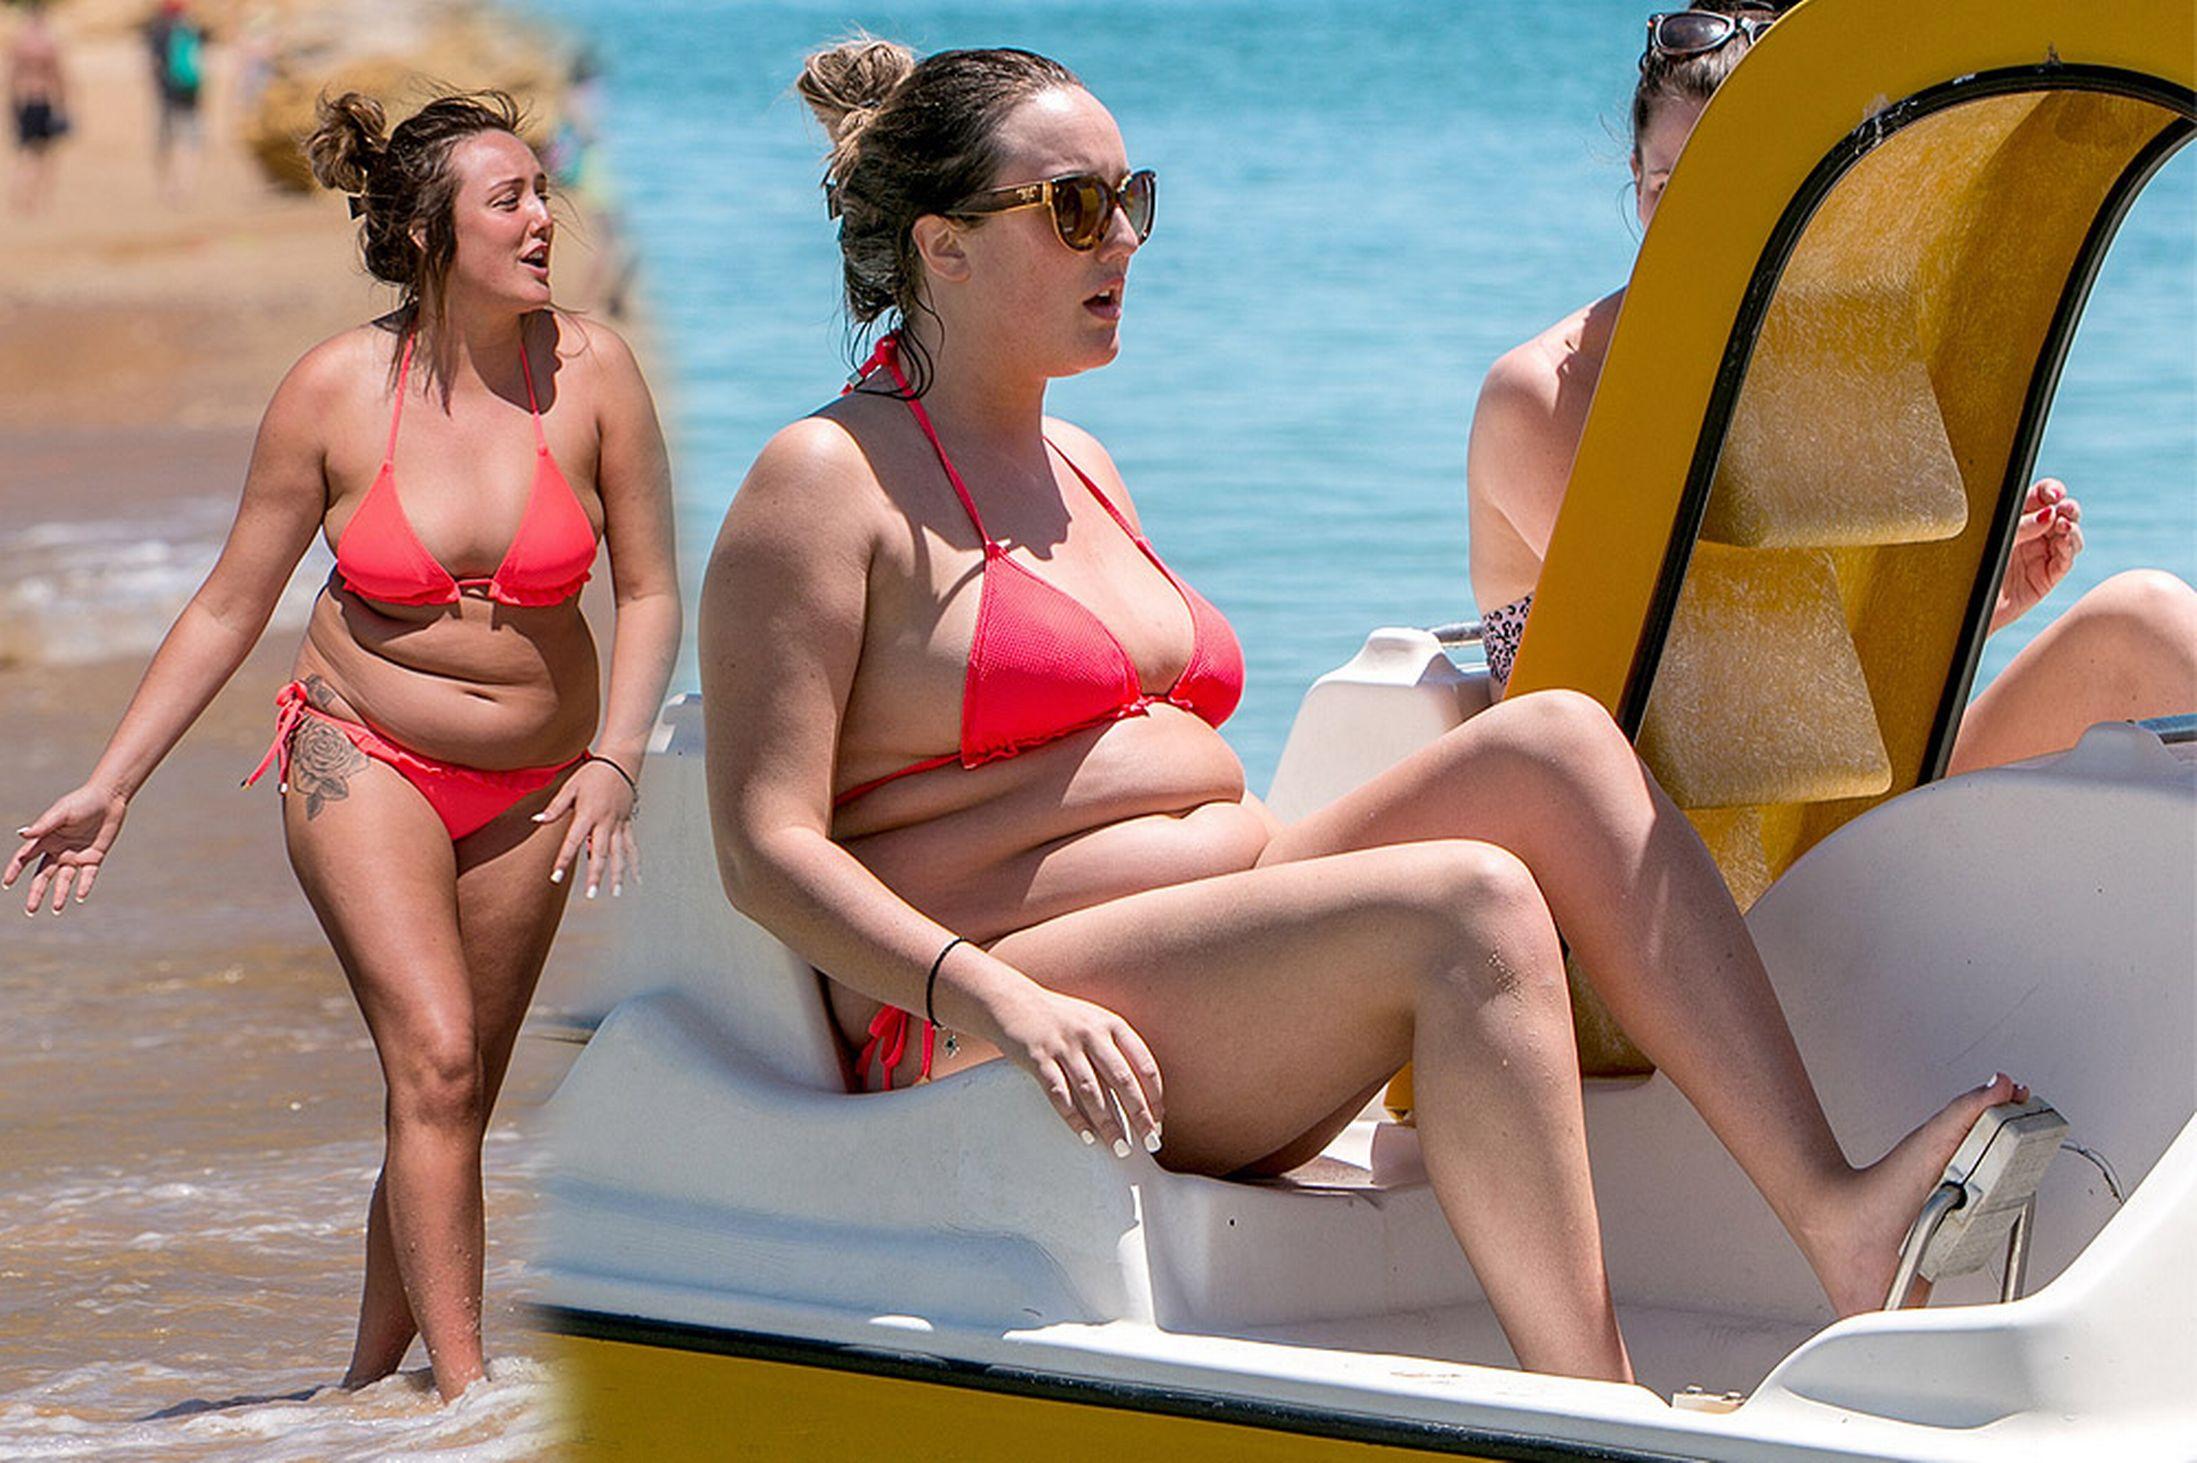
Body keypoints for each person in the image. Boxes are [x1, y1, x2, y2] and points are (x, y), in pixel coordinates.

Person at [699, 37, 2021, 1384]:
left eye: (1131, 200)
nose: (1124, 242)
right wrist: (995, 993)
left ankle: (1837, 1216)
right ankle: (1594, 1399)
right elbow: (764, 845)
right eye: (1075, 209)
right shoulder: (824, 480)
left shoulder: (1080, 462)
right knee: (1466, 903)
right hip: (997, 1018)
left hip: (1207, 966)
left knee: (1557, 744)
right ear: (943, 247)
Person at [3, 90, 681, 1401]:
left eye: (544, 191)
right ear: (430, 231)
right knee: (435, 1056)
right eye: (510, 198)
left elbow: (649, 588)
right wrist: (111, 781)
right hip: (361, 752)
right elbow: (228, 603)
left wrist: (615, 759)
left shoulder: (593, 371)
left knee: (453, 1091)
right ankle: (471, 1399)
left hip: (540, 784)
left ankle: (367, 1393)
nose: (545, 217)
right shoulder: (330, 392)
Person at [1467, 1, 2197, 766]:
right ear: (1635, 179)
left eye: (1731, 186)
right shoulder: (1546, 393)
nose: (1693, 219)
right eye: (1668, 183)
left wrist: (1968, 607)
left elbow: (1803, 687)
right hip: (1628, 815)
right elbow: (1704, 677)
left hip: (1824, 802)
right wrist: (1928, 616)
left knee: (2141, 618)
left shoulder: (1824, 368)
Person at [6, 0, 68, 215]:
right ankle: (40, 200)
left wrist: (11, 104)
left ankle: (21, 194)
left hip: (23, 99)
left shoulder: (21, 41)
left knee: (25, 152)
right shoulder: (47, 42)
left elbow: (12, 75)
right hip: (43, 99)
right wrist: (63, 102)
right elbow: (59, 74)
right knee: (44, 154)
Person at [142, 0, 206, 204]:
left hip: (167, 94)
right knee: (191, 141)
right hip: (191, 93)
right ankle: (187, 185)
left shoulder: (159, 31)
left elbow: (154, 64)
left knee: (166, 141)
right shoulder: (192, 29)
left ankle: (168, 187)